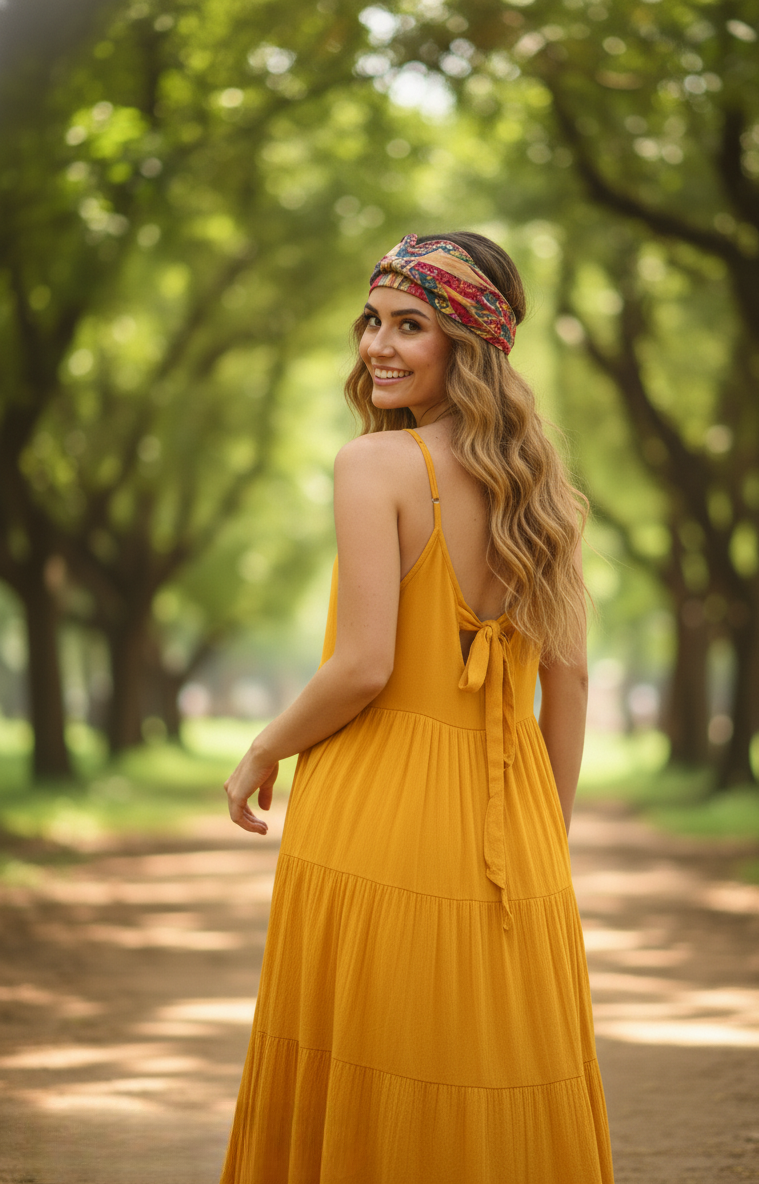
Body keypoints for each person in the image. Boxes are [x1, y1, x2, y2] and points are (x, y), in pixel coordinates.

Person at [220, 232, 614, 1183]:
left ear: (469, 346)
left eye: (412, 326)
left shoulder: (375, 467)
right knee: (491, 1071)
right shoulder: (545, 494)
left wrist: (261, 751)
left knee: (366, 1066)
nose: (378, 347)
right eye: (374, 322)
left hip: (376, 808)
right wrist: (542, 843)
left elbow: (362, 667)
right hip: (508, 819)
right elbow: (571, 682)